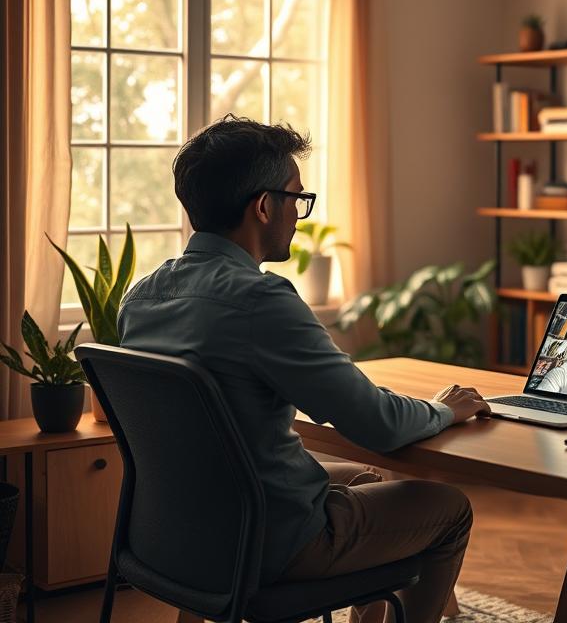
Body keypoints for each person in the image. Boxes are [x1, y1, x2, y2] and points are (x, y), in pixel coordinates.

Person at [118, 115, 490, 623]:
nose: (300, 213)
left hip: (172, 534)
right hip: (267, 541)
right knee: (448, 508)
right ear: (265, 206)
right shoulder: (259, 300)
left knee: (366, 478)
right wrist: (442, 410)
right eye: (297, 198)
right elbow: (377, 423)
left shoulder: (141, 295)